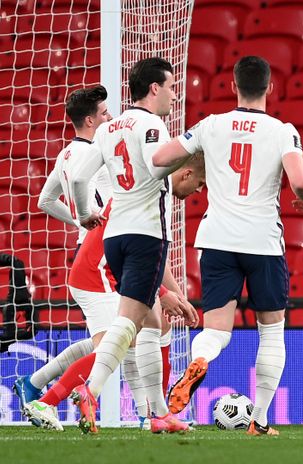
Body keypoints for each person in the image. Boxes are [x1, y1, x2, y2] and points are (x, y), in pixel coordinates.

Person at [151, 56, 303, 437]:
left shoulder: (211, 125)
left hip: (217, 239)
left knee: (217, 330)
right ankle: (258, 420)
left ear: (233, 86)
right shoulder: (282, 131)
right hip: (262, 241)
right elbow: (300, 180)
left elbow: (161, 158)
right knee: (271, 332)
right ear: (270, 87)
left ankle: (201, 359)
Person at [22, 154, 206, 431]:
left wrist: (175, 295)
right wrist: (164, 292)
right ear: (186, 173)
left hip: (109, 270)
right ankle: (47, 401)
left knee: (154, 326)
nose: (199, 192)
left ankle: (155, 415)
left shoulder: (154, 188)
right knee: (121, 343)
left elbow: (156, 254)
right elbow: (136, 250)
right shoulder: (154, 193)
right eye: (201, 183)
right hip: (98, 274)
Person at [69, 57, 198, 435]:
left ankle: (157, 414)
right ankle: (91, 390)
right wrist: (187, 151)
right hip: (145, 233)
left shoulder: (110, 128)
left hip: (113, 235)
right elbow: (156, 166)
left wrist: (85, 214)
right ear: (154, 89)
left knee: (153, 321)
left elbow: (79, 177)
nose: (175, 95)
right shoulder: (152, 124)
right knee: (129, 320)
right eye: (172, 87)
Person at [13, 86, 113, 427]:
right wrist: (87, 215)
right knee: (112, 344)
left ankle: (34, 383)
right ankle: (45, 400)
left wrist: (81, 221)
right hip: (99, 256)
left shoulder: (67, 154)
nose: (109, 117)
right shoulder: (92, 153)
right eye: (103, 114)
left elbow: (44, 200)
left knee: (109, 340)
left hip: (90, 246)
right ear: (90, 120)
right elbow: (79, 187)